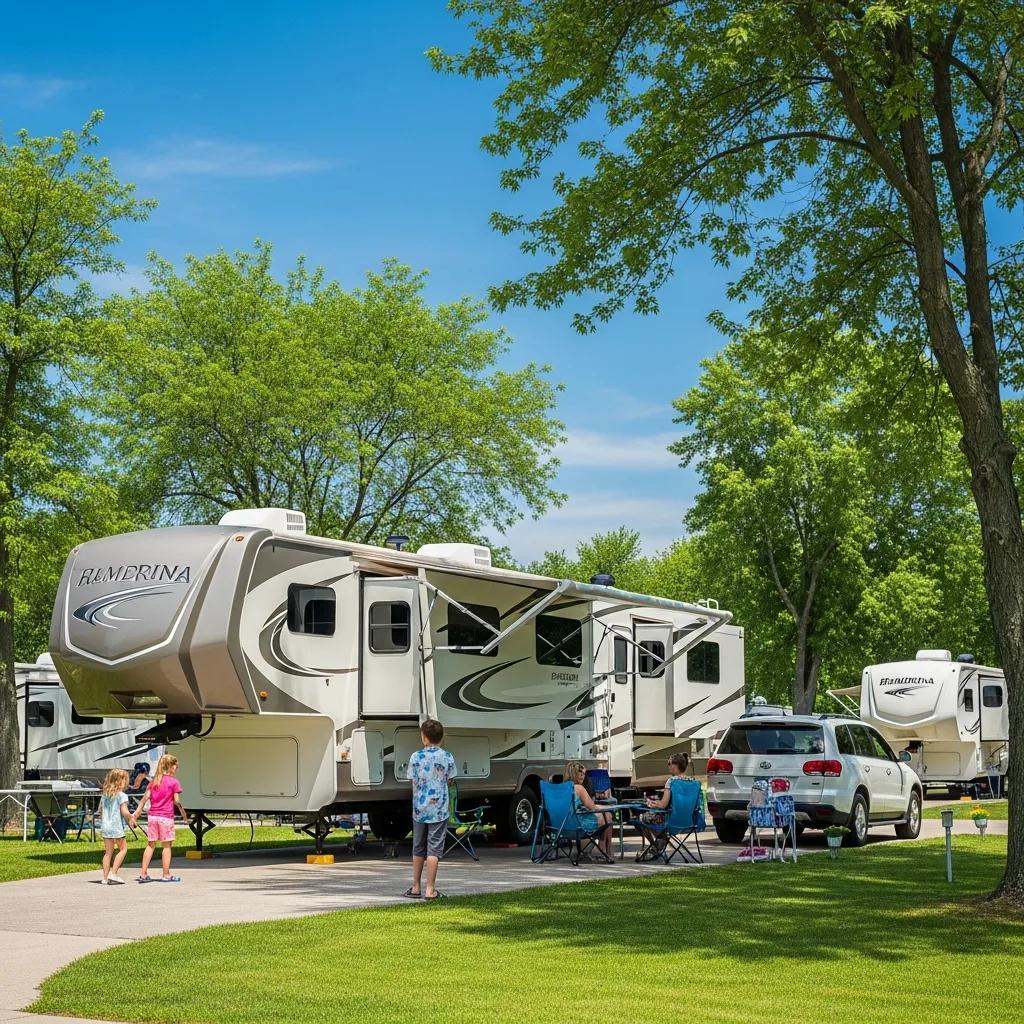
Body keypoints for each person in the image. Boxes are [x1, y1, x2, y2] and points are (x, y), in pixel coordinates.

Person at [404, 718, 456, 900]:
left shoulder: (415, 757)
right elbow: (450, 780)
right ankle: (430, 890)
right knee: (434, 850)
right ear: (440, 738)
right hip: (439, 809)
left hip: (419, 808)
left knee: (418, 847)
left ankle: (416, 887)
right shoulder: (447, 757)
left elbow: (412, 779)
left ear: (424, 737)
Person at [131, 753, 189, 883]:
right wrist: (183, 812)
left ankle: (143, 873)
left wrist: (138, 812)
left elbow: (145, 798)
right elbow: (176, 801)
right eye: (175, 766)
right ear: (170, 766)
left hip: (153, 817)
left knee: (151, 845)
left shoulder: (154, 781)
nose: (176, 768)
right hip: (166, 817)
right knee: (166, 846)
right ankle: (166, 874)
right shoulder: (174, 782)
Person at [638, 752, 690, 853]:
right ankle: (661, 840)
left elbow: (663, 805)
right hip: (689, 820)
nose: (668, 766)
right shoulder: (693, 782)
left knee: (641, 818)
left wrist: (652, 803)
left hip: (672, 820)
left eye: (669, 764)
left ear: (675, 766)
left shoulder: (671, 782)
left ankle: (658, 843)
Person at [565, 760, 613, 859]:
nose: (583, 776)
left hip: (561, 826)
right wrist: (603, 808)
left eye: (584, 774)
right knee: (607, 815)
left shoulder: (560, 788)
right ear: (573, 773)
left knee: (604, 813)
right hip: (577, 825)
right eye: (580, 773)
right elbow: (593, 807)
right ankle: (605, 849)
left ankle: (602, 849)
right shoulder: (578, 788)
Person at [98, 768, 132, 885]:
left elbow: (100, 811)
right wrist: (131, 817)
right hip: (116, 826)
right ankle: (114, 873)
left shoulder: (105, 795)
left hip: (105, 826)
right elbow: (124, 811)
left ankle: (105, 877)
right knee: (123, 849)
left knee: (108, 852)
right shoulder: (122, 796)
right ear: (120, 781)